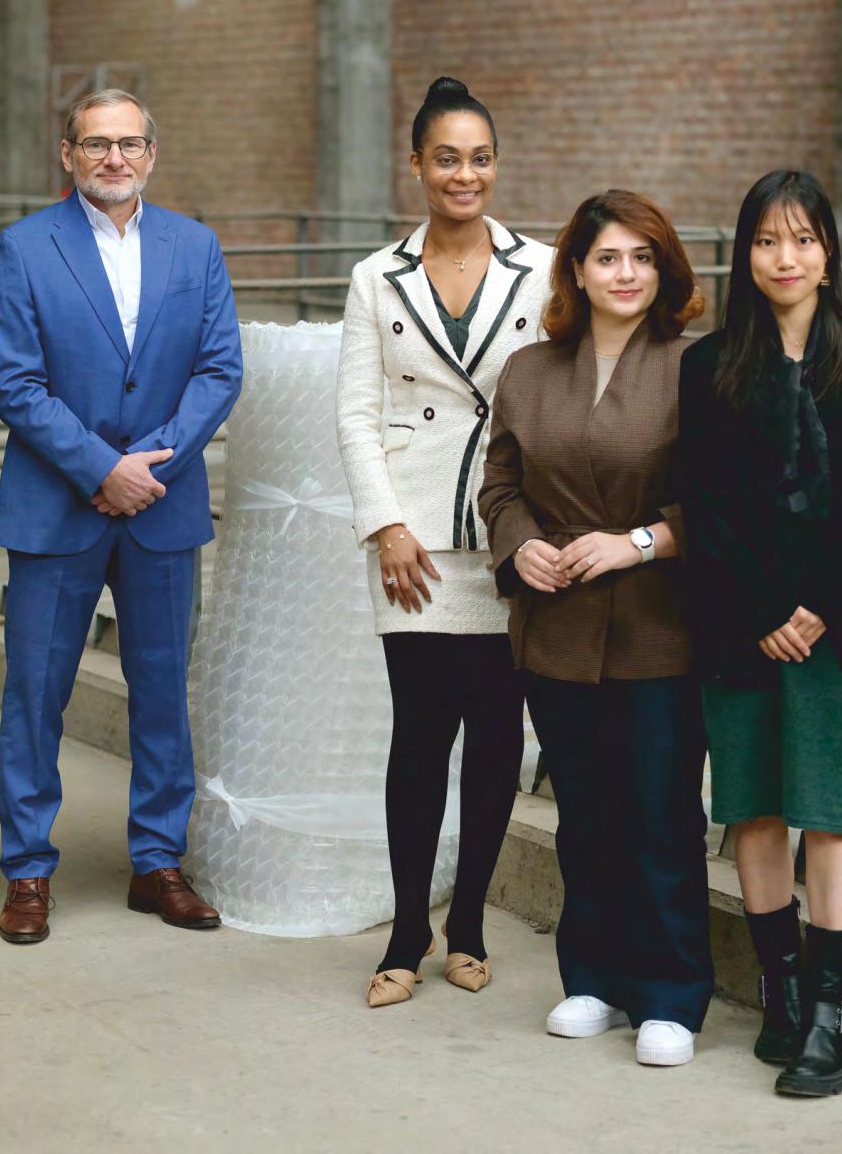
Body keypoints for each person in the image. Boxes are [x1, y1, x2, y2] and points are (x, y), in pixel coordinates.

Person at [676, 170, 842, 1096]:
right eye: (768, 241)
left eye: (803, 239)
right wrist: (765, 612)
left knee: (830, 813)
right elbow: (707, 502)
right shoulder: (709, 364)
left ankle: (830, 1011)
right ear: (745, 254)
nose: (787, 258)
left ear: (828, 251)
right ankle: (779, 995)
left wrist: (814, 605)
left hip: (839, 621)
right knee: (755, 809)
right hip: (739, 622)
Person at [0, 89, 243, 945]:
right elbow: (15, 381)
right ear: (68, 155)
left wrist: (148, 466)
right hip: (57, 506)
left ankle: (158, 862)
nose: (114, 159)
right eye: (96, 144)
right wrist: (102, 468)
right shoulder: (26, 246)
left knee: (162, 692)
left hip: (161, 506)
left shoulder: (195, 246)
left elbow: (219, 369)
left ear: (151, 154)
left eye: (130, 143)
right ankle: (27, 870)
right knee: (36, 694)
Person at [479, 190, 712, 1065]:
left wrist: (641, 542)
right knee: (583, 813)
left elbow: (726, 501)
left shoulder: (698, 368)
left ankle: (672, 995)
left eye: (643, 258)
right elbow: (500, 486)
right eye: (608, 257)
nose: (626, 274)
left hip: (660, 627)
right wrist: (522, 548)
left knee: (660, 813)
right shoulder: (530, 371)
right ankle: (595, 980)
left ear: (665, 270)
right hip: (559, 626)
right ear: (575, 270)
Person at [336, 77, 553, 1008]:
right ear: (417, 165)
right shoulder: (374, 276)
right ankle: (406, 931)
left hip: (509, 532)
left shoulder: (543, 269)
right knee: (420, 737)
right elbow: (355, 414)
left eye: (481, 158)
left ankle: (468, 925)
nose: (466, 174)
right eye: (448, 158)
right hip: (414, 538)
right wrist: (385, 525)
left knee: (498, 737)